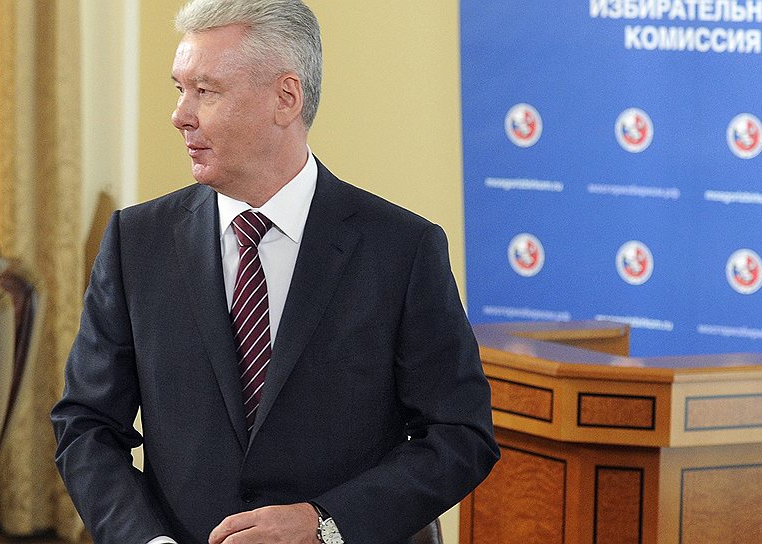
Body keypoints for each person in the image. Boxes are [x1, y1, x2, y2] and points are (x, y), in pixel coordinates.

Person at [51, 1, 499, 543]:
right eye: (179, 88)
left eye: (205, 91)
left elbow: (460, 434)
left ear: (286, 98)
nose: (180, 115)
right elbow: (87, 425)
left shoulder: (402, 249)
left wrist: (324, 524)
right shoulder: (136, 242)